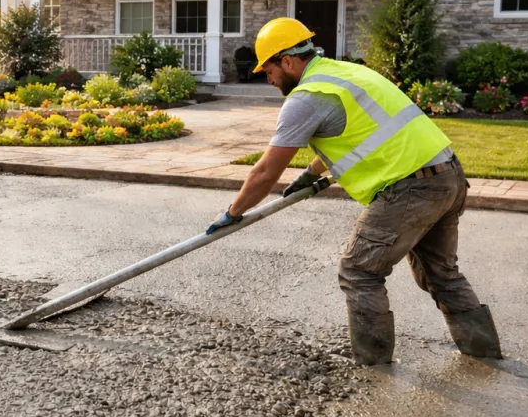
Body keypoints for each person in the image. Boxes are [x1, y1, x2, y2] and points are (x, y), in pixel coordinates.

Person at [206, 18, 501, 365]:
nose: (267, 79)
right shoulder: (344, 73)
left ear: (287, 61)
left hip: (411, 187)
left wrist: (232, 213)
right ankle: (484, 352)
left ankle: (372, 363)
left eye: (267, 70)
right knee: (440, 273)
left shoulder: (306, 98)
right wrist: (311, 172)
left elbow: (265, 171)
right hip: (447, 175)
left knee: (359, 270)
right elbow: (357, 133)